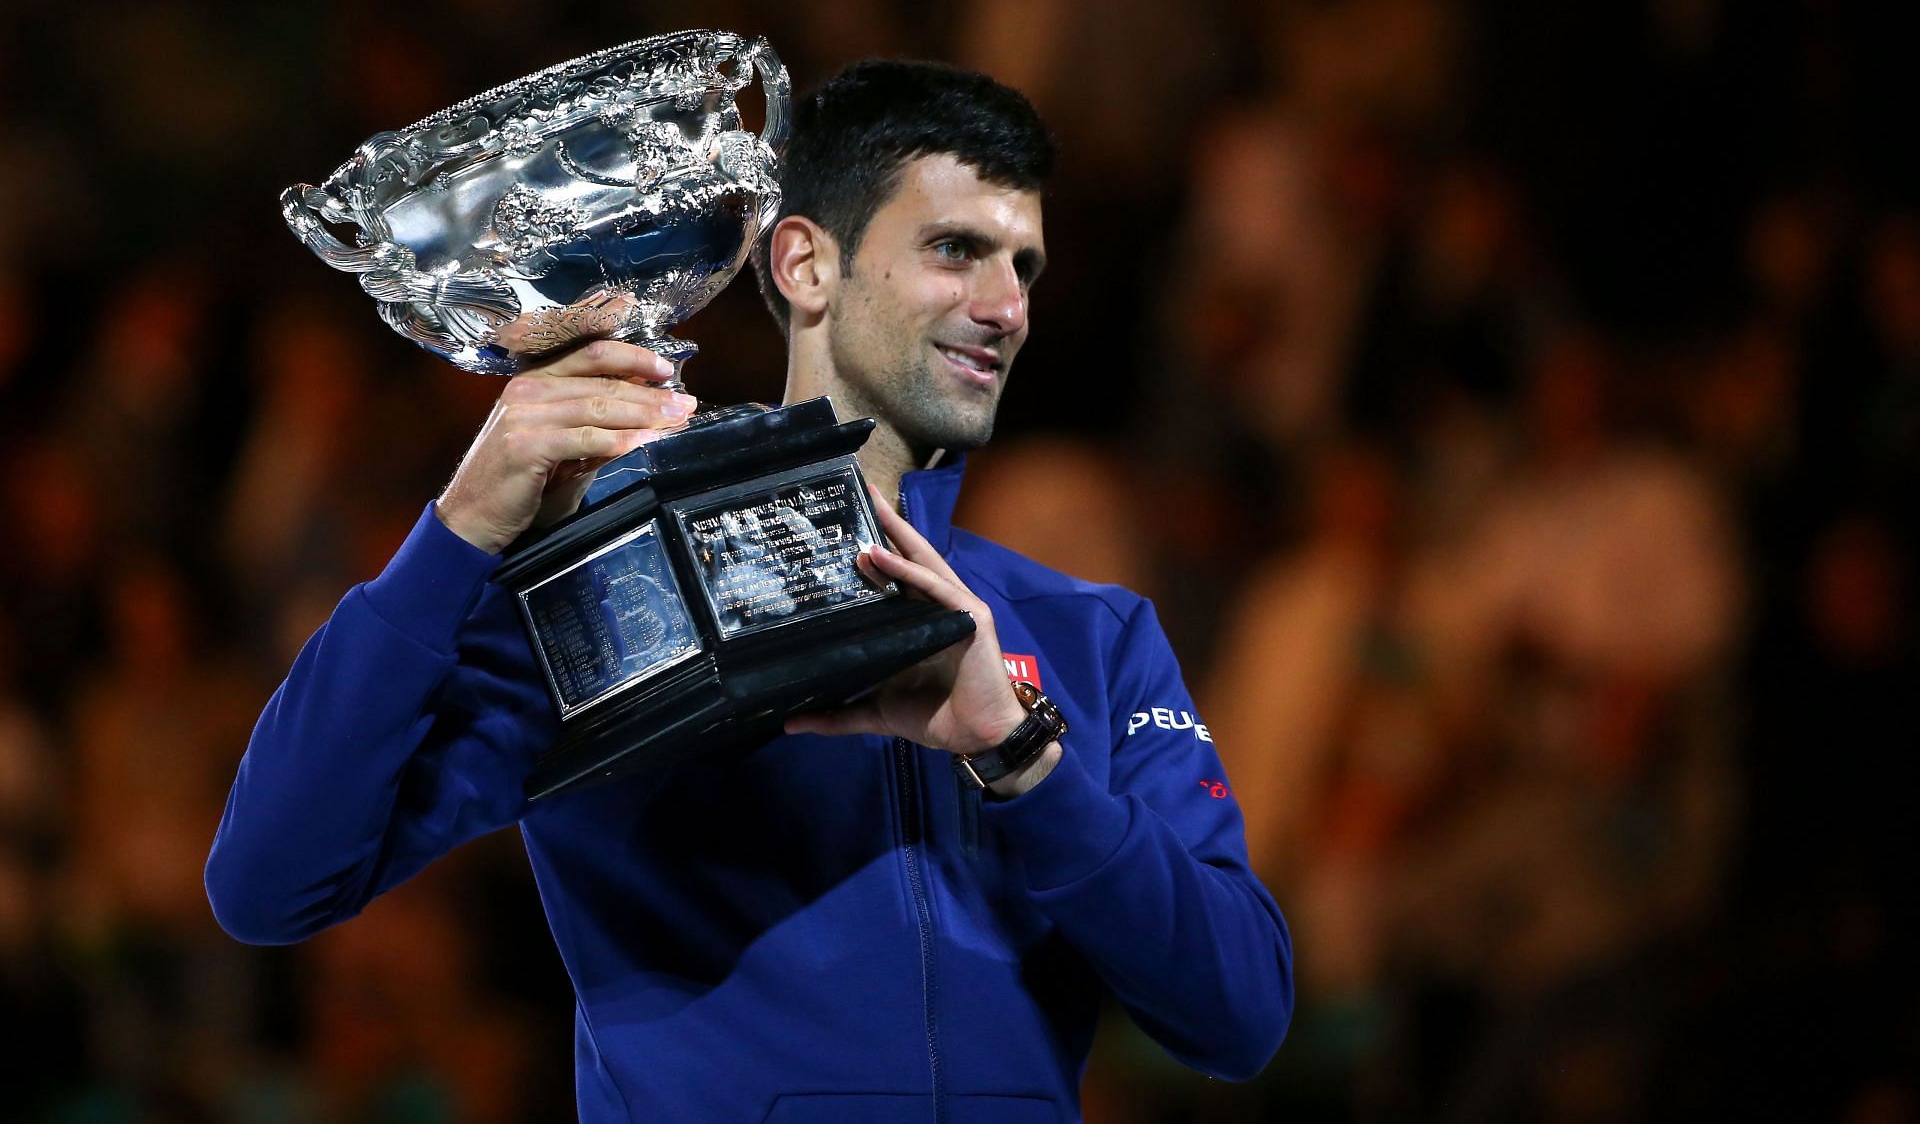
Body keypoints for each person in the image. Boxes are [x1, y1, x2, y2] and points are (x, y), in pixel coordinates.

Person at [207, 59, 1293, 1122]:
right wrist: (457, 534)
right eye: (957, 250)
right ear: (805, 266)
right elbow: (270, 882)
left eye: (1026, 266)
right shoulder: (621, 590)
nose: (1005, 306)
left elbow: (1241, 1014)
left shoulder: (1088, 634)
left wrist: (1018, 755)